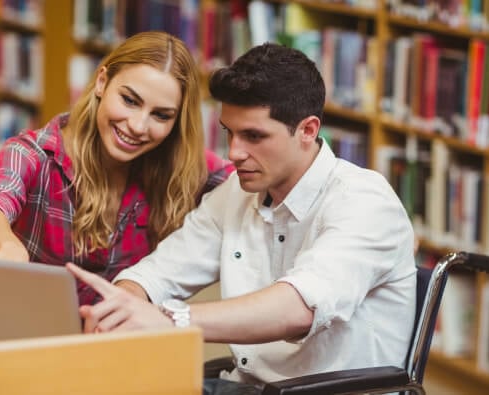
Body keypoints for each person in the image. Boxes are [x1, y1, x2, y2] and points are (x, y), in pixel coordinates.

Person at [68, 43, 417, 390]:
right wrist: (124, 303)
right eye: (229, 132)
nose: (234, 152)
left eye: (254, 136)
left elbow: (297, 309)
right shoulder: (237, 193)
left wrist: (171, 318)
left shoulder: (365, 202)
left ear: (308, 131)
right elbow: (159, 273)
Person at [0, 31, 233, 305]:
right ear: (102, 82)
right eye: (129, 100)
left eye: (161, 115)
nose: (137, 126)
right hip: (31, 329)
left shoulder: (179, 163)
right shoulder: (34, 154)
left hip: (114, 339)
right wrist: (6, 245)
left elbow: (247, 178)